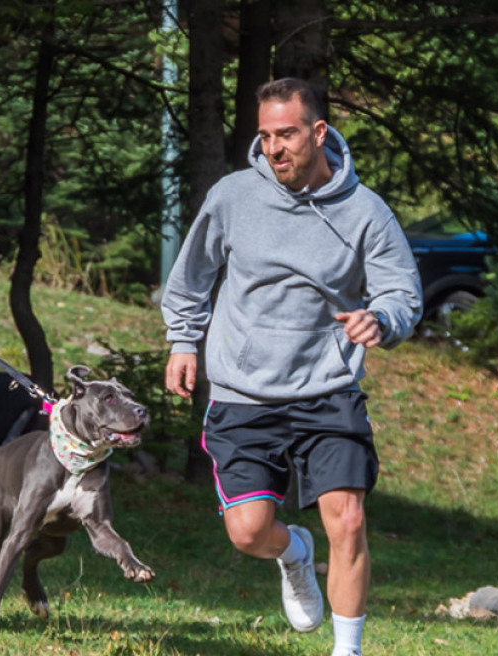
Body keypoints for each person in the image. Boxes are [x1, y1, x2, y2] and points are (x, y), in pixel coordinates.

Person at [160, 78, 422, 656]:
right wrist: (183, 342)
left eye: (287, 135)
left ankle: (347, 650)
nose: (274, 148)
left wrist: (382, 320)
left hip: (327, 390)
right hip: (243, 392)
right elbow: (192, 278)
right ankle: (294, 552)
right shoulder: (233, 196)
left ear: (319, 132)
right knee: (249, 531)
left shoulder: (365, 211)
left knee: (349, 520)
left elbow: (402, 294)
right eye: (265, 136)